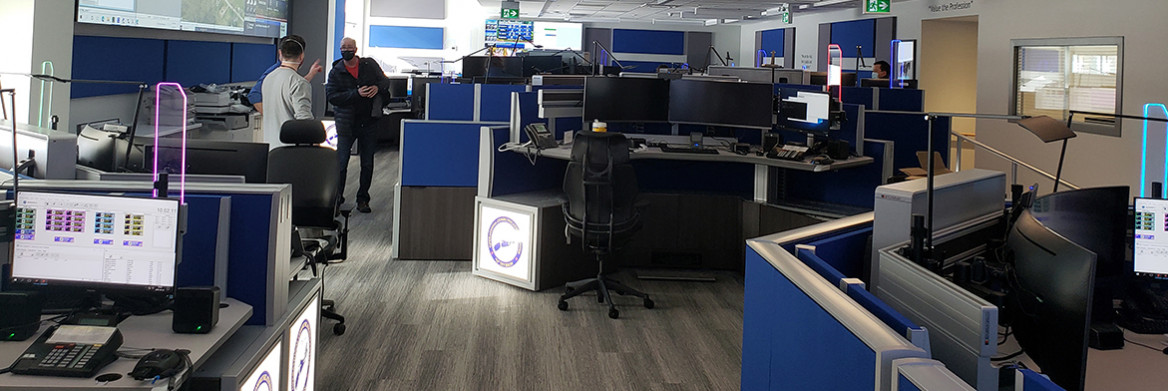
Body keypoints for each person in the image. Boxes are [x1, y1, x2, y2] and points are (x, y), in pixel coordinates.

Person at [326, 37, 390, 213]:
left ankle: (363, 199)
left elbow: (385, 82)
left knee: (367, 163)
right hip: (346, 123)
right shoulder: (336, 72)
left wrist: (377, 88)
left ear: (356, 49)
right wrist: (356, 94)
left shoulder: (369, 65)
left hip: (369, 121)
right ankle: (337, 198)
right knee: (341, 163)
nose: (346, 50)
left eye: (349, 47)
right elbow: (332, 97)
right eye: (343, 47)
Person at [261, 35, 315, 150]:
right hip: (291, 151)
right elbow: (304, 121)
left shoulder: (269, 78)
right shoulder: (298, 82)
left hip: (271, 148)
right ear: (301, 56)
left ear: (280, 54)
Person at [248, 46, 323, 114]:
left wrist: (311, 74)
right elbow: (254, 95)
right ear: (301, 56)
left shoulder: (274, 75)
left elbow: (293, 87)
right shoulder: (272, 74)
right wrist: (270, 116)